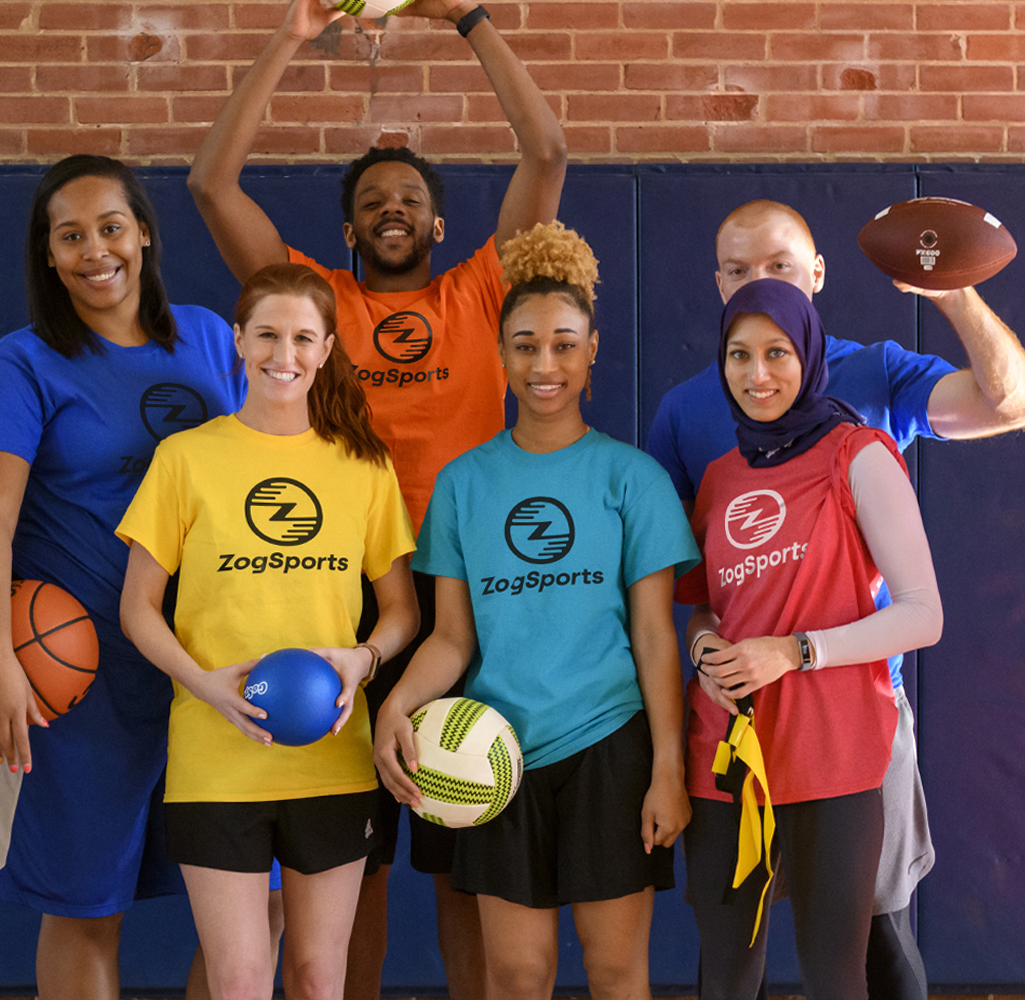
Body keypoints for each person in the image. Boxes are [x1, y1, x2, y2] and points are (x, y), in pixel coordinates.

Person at [188, 0, 567, 991]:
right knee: (339, 867)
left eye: (408, 197)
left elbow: (549, 152)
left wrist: (471, 19)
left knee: (458, 838)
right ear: (346, 226)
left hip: (461, 595)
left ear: (437, 225)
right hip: (333, 593)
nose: (390, 208)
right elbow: (209, 182)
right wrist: (293, 35)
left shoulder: (482, 293)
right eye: (371, 199)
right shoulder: (313, 304)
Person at [644, 199, 1025, 1000]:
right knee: (731, 953)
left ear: (818, 275)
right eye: (738, 271)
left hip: (854, 714)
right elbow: (690, 588)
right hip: (740, 733)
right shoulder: (692, 416)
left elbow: (1015, 405)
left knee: (872, 939)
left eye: (780, 268)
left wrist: (953, 291)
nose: (761, 373)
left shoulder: (874, 385)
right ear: (716, 284)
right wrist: (705, 648)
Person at [372, 223, 697, 1000]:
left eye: (561, 344)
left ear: (591, 352)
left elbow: (655, 638)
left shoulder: (633, 478)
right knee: (517, 975)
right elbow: (452, 636)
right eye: (524, 345)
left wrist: (666, 768)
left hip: (609, 749)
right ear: (500, 354)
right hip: (492, 753)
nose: (542, 364)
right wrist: (399, 706)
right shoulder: (462, 483)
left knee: (617, 970)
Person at [0, 154, 246, 1000]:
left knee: (253, 907)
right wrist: (1, 659)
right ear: (47, 255)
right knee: (87, 912)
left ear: (145, 234)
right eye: (70, 235)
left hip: (206, 665)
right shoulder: (23, 363)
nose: (95, 250)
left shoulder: (208, 337)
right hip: (76, 671)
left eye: (110, 227)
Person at [116, 263, 417, 1000]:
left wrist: (363, 658)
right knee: (242, 978)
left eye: (303, 338)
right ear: (238, 344)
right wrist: (205, 686)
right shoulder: (186, 459)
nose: (285, 354)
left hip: (332, 758)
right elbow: (137, 609)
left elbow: (402, 611)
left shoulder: (364, 466)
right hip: (216, 756)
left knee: (319, 977)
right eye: (268, 335)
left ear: (325, 351)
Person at [680, 279, 943, 999]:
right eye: (739, 355)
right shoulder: (719, 477)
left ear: (811, 356)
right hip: (728, 760)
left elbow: (924, 615)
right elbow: (705, 609)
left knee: (837, 979)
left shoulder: (859, 454)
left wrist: (795, 651)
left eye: (777, 353)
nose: (757, 374)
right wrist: (704, 651)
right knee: (727, 980)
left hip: (835, 756)